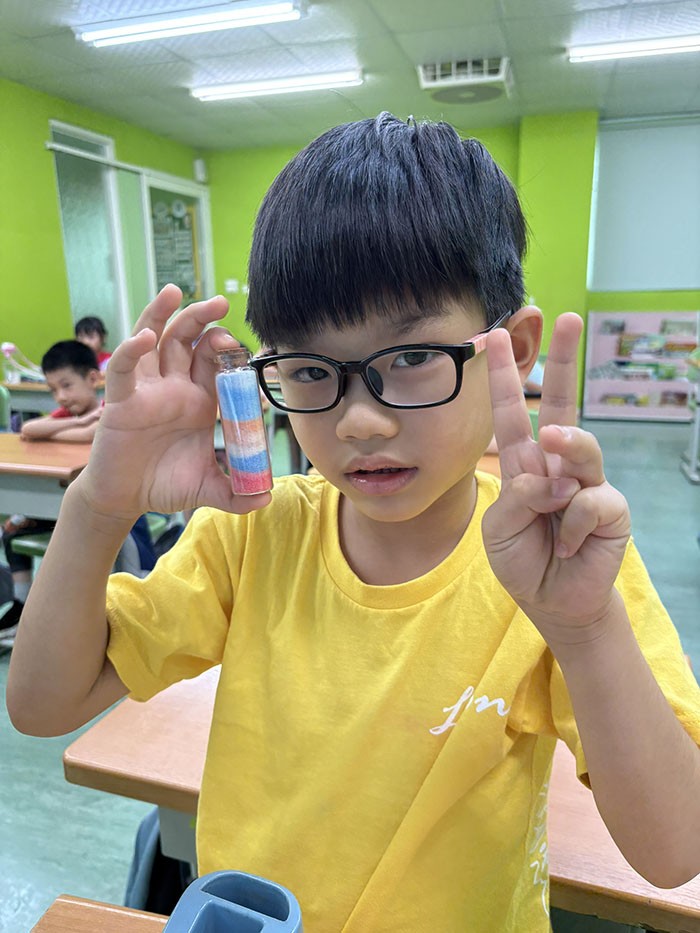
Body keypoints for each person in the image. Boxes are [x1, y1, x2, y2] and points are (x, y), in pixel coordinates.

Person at [7, 114, 700, 932]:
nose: (360, 421)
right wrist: (98, 502)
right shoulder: (253, 533)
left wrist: (584, 630)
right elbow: (42, 704)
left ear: (510, 350)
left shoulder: (562, 560)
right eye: (309, 369)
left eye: (412, 358)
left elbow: (673, 850)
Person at [0, 340, 103, 641]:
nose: (61, 397)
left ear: (93, 379)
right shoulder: (74, 415)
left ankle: (77, 612)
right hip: (61, 505)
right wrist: (80, 421)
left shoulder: (109, 411)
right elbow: (28, 430)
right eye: (53, 390)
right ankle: (21, 604)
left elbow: (90, 434)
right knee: (12, 532)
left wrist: (78, 426)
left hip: (96, 511)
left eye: (67, 386)